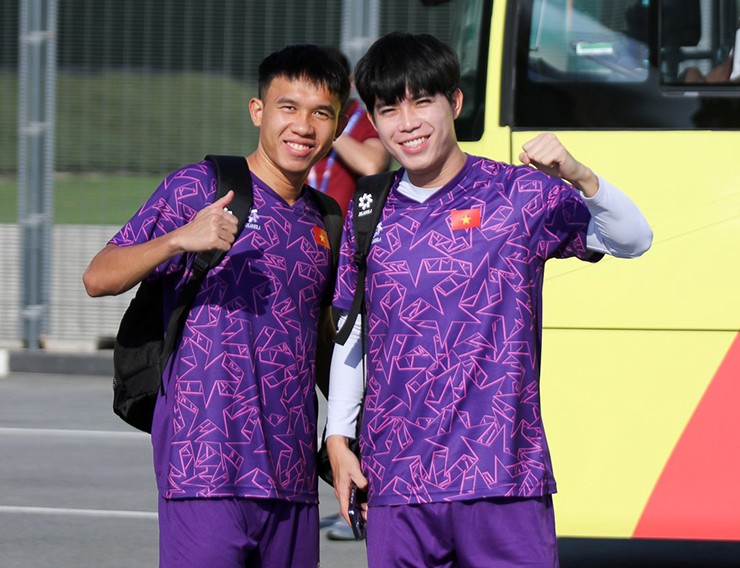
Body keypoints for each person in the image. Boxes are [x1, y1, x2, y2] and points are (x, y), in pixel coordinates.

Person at [325, 32, 653, 567]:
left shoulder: (519, 193)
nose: (407, 123)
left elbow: (634, 239)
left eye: (421, 102)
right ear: (375, 122)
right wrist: (338, 437)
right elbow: (351, 332)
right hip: (398, 481)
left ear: (454, 102)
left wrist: (579, 175)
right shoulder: (369, 209)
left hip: (504, 478)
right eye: (388, 109)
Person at [83, 44, 350, 568]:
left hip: (291, 477)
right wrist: (177, 240)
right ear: (258, 111)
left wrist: (353, 431)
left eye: (322, 113)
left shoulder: (327, 219)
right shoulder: (200, 187)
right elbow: (98, 276)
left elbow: (321, 344)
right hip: (203, 466)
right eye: (288, 107)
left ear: (339, 127)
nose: (303, 126)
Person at [308, 46, 390, 542]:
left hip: (348, 263)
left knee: (354, 385)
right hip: (317, 259)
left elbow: (373, 160)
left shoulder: (362, 121)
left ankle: (360, 497)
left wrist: (332, 131)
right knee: (329, 386)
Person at [308, 46, 390, 218]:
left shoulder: (366, 120)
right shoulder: (303, 122)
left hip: (348, 229)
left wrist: (328, 128)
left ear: (350, 82)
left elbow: (372, 165)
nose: (323, 93)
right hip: (305, 223)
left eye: (330, 85)